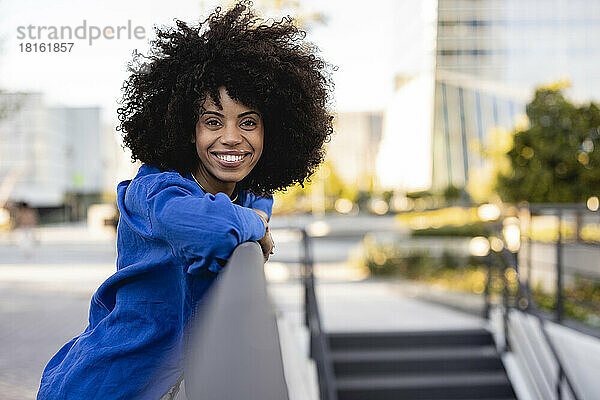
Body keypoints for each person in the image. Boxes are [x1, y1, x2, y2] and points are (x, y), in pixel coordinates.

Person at [37, 2, 333, 399]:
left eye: (248, 122)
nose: (231, 136)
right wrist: (258, 226)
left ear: (273, 133)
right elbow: (213, 227)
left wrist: (255, 215)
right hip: (102, 386)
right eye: (213, 121)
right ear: (184, 129)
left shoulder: (244, 193)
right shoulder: (155, 192)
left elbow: (257, 199)